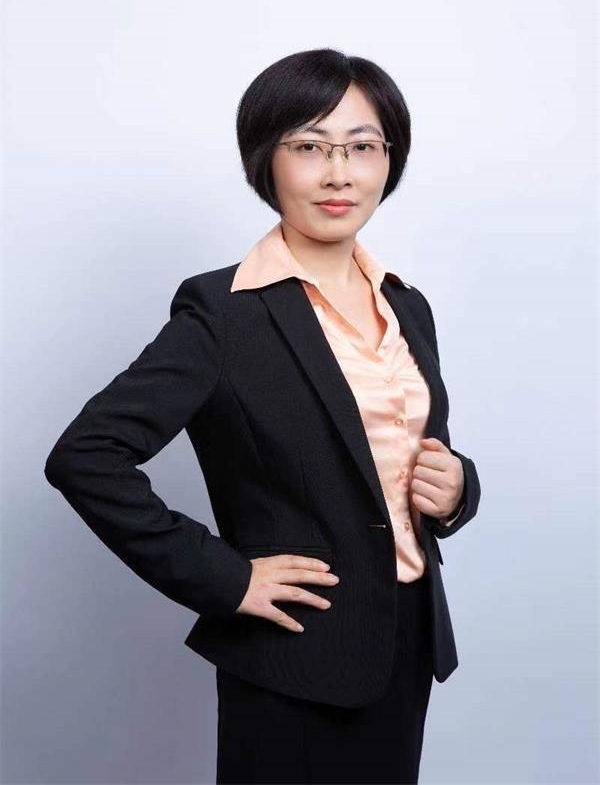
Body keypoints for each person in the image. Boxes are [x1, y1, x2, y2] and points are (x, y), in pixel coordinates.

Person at [45, 47, 481, 784]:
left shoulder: (408, 305)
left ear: (389, 160)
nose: (339, 173)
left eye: (363, 147)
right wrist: (226, 577)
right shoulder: (223, 314)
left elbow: (395, 456)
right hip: (293, 655)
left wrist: (459, 489)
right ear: (266, 161)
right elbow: (86, 455)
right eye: (309, 146)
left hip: (407, 644)